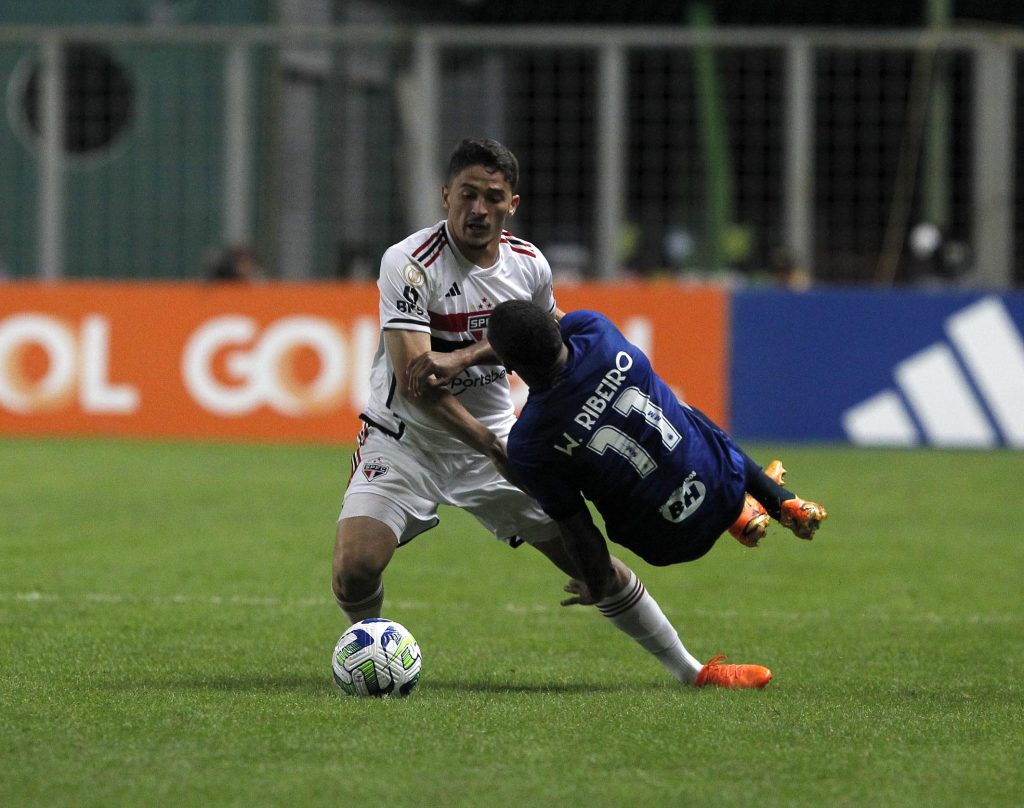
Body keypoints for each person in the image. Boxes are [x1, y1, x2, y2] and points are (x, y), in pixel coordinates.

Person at [332, 137, 765, 689]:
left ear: (512, 203)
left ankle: (693, 671)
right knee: (354, 568)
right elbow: (417, 382)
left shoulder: (528, 265)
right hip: (406, 442)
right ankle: (371, 651)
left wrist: (471, 358)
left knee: (594, 567)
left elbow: (546, 335)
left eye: (493, 197)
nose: (478, 209)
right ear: (445, 195)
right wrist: (492, 447)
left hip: (499, 443)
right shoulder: (410, 265)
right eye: (467, 194)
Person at [487, 300, 829, 684]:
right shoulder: (596, 331)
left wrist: (597, 584)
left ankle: (748, 509)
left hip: (664, 541)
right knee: (680, 410)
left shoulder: (530, 441)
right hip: (722, 485)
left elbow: (577, 527)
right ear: (556, 330)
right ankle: (777, 500)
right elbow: (563, 323)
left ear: (509, 369)